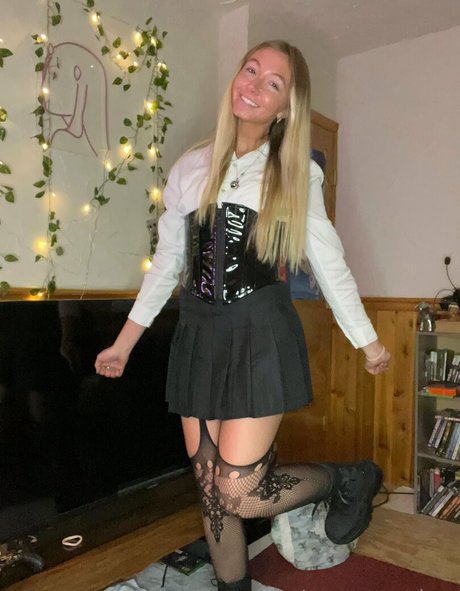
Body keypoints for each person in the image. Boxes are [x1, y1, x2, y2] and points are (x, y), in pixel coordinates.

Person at [95, 40, 391, 591]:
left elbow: (328, 261)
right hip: (199, 332)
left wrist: (367, 340)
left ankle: (346, 478)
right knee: (211, 491)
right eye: (250, 70)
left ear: (285, 107)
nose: (253, 85)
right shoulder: (191, 165)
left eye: (272, 82)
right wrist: (124, 343)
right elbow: (168, 263)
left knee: (236, 490)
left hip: (259, 331)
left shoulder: (294, 170)